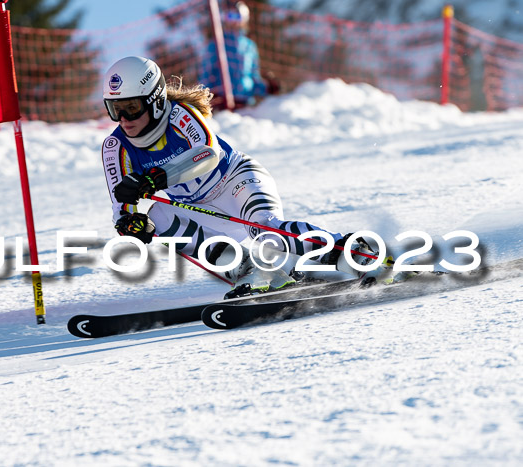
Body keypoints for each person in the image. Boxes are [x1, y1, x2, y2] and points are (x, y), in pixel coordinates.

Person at [101, 56, 388, 298]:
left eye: (132, 107)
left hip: (235, 181)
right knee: (159, 216)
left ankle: (351, 252)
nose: (124, 119)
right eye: (116, 109)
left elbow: (207, 154)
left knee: (266, 231)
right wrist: (131, 223)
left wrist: (156, 178)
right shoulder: (115, 147)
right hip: (198, 208)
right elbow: (120, 206)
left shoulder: (180, 116)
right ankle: (249, 270)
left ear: (156, 101)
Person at [202, 1, 278, 110]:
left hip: (244, 103)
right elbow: (207, 75)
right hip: (221, 103)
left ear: (244, 19)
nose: (234, 21)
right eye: (230, 16)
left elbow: (253, 77)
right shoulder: (215, 44)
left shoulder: (249, 46)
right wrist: (206, 96)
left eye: (237, 17)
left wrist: (268, 88)